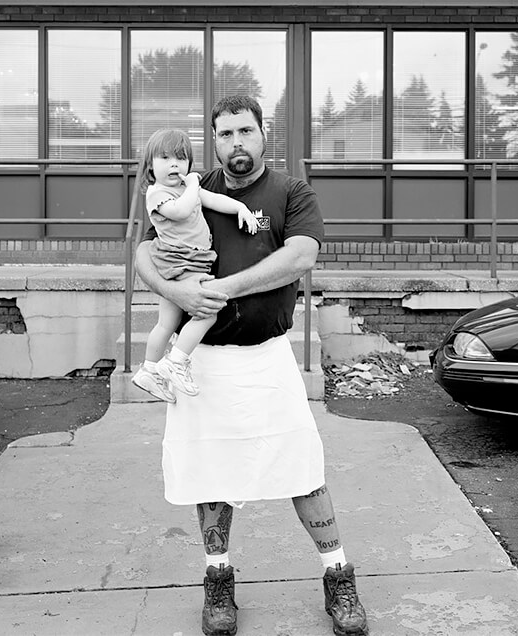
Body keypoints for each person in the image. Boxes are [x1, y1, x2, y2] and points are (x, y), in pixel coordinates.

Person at [135, 96, 368, 636]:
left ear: (264, 134)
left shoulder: (290, 192)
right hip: (202, 361)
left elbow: (301, 255)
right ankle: (218, 583)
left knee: (304, 470)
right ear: (213, 141)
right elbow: (145, 253)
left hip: (268, 357)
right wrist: (176, 293)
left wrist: (224, 288)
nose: (236, 143)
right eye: (224, 134)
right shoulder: (192, 186)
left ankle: (339, 577)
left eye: (245, 131)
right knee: (208, 476)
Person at [132, 128, 259, 403]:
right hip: (182, 261)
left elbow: (213, 200)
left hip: (186, 261)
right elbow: (180, 211)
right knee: (207, 312)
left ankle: (149, 369)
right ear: (150, 167)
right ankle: (176, 361)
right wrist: (192, 187)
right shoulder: (157, 193)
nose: (174, 164)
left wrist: (240, 208)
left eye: (181, 158)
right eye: (165, 158)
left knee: (167, 322)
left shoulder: (186, 190)